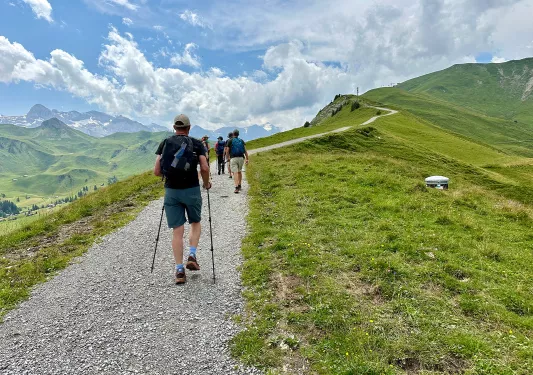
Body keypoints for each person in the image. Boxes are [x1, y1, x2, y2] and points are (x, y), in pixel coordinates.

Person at [154, 114, 211, 284]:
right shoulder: (197, 143)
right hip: (192, 189)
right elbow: (205, 167)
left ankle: (179, 270)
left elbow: (156, 171)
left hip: (171, 191)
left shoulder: (165, 143)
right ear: (189, 127)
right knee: (195, 222)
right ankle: (192, 254)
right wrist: (206, 184)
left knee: (177, 231)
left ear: (174, 128)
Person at [225, 129, 249, 194]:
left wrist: (228, 158)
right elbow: (245, 150)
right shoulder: (241, 140)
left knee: (235, 172)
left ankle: (236, 187)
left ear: (233, 134)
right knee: (239, 171)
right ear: (238, 134)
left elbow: (227, 151)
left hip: (233, 158)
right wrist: (247, 159)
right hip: (241, 158)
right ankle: (240, 185)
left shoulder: (230, 140)